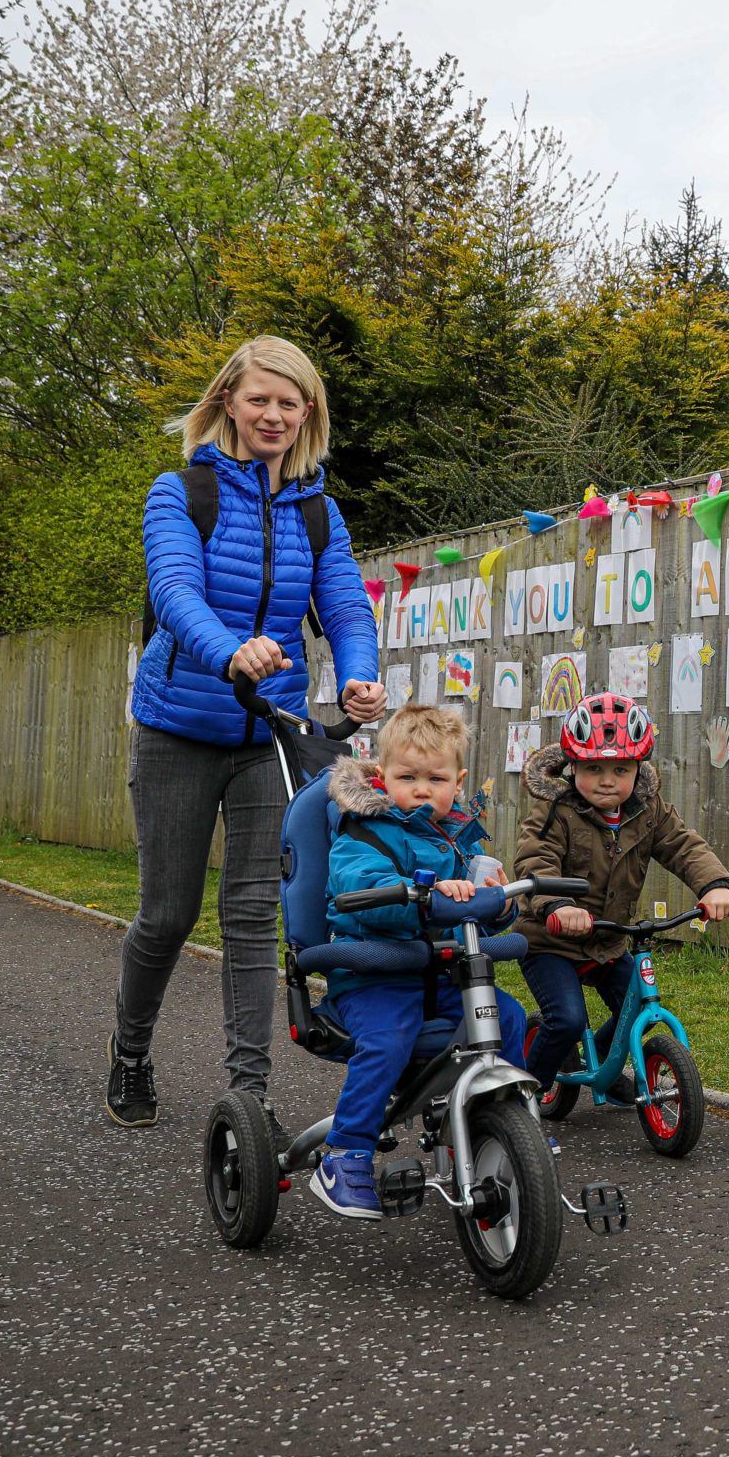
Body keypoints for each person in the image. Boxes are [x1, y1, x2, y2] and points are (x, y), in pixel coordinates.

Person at [109, 335, 385, 1133]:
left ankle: (248, 1095)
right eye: (259, 398)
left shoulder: (317, 510)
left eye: (288, 402)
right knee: (166, 914)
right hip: (180, 728)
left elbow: (344, 609)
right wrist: (230, 650)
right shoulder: (180, 492)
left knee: (255, 911)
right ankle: (130, 1049)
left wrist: (359, 674)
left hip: (274, 736)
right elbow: (173, 589)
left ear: (308, 415)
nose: (273, 414)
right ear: (229, 399)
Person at [308, 705, 531, 1220]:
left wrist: (499, 904)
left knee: (508, 1016)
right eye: (408, 777)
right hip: (374, 976)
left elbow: (477, 915)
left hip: (438, 973)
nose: (423, 789)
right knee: (389, 1038)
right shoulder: (364, 831)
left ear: (459, 781)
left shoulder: (460, 838)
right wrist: (426, 895)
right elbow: (364, 892)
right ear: (382, 778)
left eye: (437, 778)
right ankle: (346, 1153)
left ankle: (503, 1123)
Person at [511, 694, 729, 1095]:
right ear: (572, 766)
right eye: (594, 768)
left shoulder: (648, 810)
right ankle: (526, 1092)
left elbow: (684, 847)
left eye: (621, 769)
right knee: (565, 1018)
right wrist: (559, 906)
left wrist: (714, 885)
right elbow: (536, 860)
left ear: (638, 768)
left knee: (637, 1012)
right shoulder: (555, 812)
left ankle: (602, 1064)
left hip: (608, 941)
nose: (607, 780)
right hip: (551, 940)